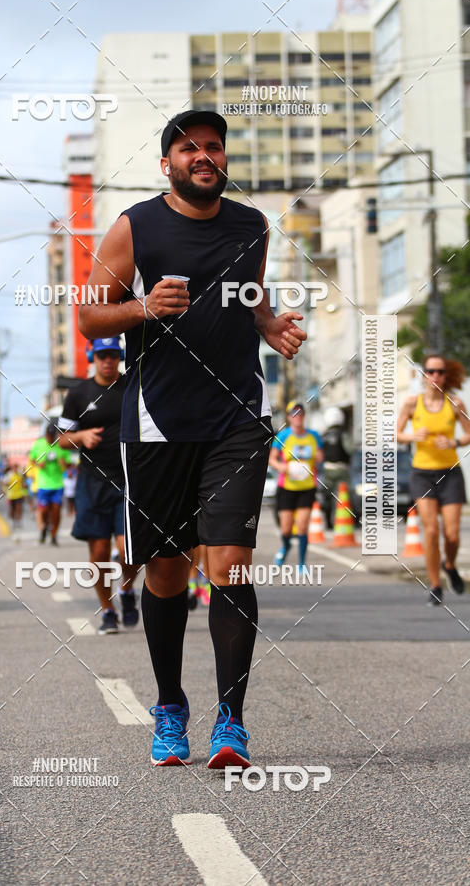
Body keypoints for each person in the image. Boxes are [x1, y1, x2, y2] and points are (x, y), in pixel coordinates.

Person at [78, 109, 306, 768]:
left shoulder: (251, 224)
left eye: (213, 147)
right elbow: (91, 312)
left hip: (236, 417)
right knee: (168, 572)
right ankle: (172, 705)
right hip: (157, 425)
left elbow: (251, 293)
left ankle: (231, 720)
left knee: (230, 562)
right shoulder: (136, 226)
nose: (203, 156)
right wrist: (142, 308)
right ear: (167, 164)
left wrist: (267, 324)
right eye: (189, 149)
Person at [58, 337, 139, 634]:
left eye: (113, 355)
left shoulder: (132, 386)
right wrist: (81, 437)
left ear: (119, 357)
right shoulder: (79, 394)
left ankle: (128, 590)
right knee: (100, 552)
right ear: (93, 356)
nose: (108, 360)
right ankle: (108, 610)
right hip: (92, 483)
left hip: (129, 481)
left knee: (128, 549)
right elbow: (60, 438)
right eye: (103, 355)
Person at [397, 355, 470, 605]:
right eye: (430, 371)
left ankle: (449, 565)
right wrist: (412, 436)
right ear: (424, 375)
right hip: (422, 474)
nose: (435, 376)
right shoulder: (411, 403)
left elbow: (469, 434)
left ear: (445, 375)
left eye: (440, 371)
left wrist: (454, 442)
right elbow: (396, 434)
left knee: (452, 535)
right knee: (431, 530)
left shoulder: (455, 403)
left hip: (450, 473)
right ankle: (436, 585)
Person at [269, 401, 323, 573]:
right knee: (286, 527)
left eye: (300, 413)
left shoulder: (314, 436)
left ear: (304, 416)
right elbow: (272, 459)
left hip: (307, 487)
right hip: (287, 487)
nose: (298, 416)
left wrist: (311, 464)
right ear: (289, 417)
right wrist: (283, 468)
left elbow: (320, 457)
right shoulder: (283, 436)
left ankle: (301, 564)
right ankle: (285, 547)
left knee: (302, 525)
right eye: (294, 413)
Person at [28, 422, 72, 546]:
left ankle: (53, 535)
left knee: (56, 511)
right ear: (45, 434)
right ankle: (44, 528)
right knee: (44, 510)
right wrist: (38, 464)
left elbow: (69, 464)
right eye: (48, 435)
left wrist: (64, 463)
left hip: (58, 484)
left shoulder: (61, 445)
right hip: (43, 484)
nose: (50, 438)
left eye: (53, 436)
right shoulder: (39, 444)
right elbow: (32, 458)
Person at [320, 406, 351, 530]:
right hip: (342, 470)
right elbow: (350, 449)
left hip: (327, 470)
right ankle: (344, 521)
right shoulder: (343, 434)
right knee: (343, 496)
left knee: (327, 496)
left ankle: (328, 522)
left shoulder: (323, 435)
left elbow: (319, 452)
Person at [2, 463, 27, 529]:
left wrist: (24, 490)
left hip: (19, 494)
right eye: (14, 468)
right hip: (11, 495)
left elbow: (23, 484)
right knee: (12, 510)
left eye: (16, 467)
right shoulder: (9, 475)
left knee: (19, 508)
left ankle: (19, 521)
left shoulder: (20, 475)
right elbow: (4, 483)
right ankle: (13, 520)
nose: (15, 469)